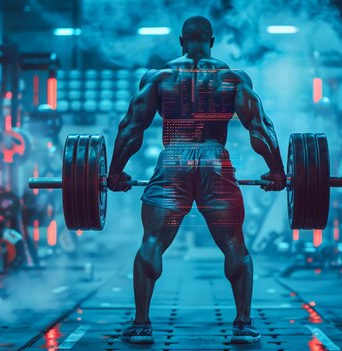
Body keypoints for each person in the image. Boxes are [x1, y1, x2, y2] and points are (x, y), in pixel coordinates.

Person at [107, 15, 285, 345]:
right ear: (212, 41)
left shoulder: (159, 76)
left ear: (181, 41)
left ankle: (141, 325)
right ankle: (243, 325)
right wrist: (277, 171)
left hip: (173, 159)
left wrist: (115, 172)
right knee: (234, 243)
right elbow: (260, 128)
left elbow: (131, 127)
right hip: (214, 160)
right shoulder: (232, 77)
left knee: (152, 242)